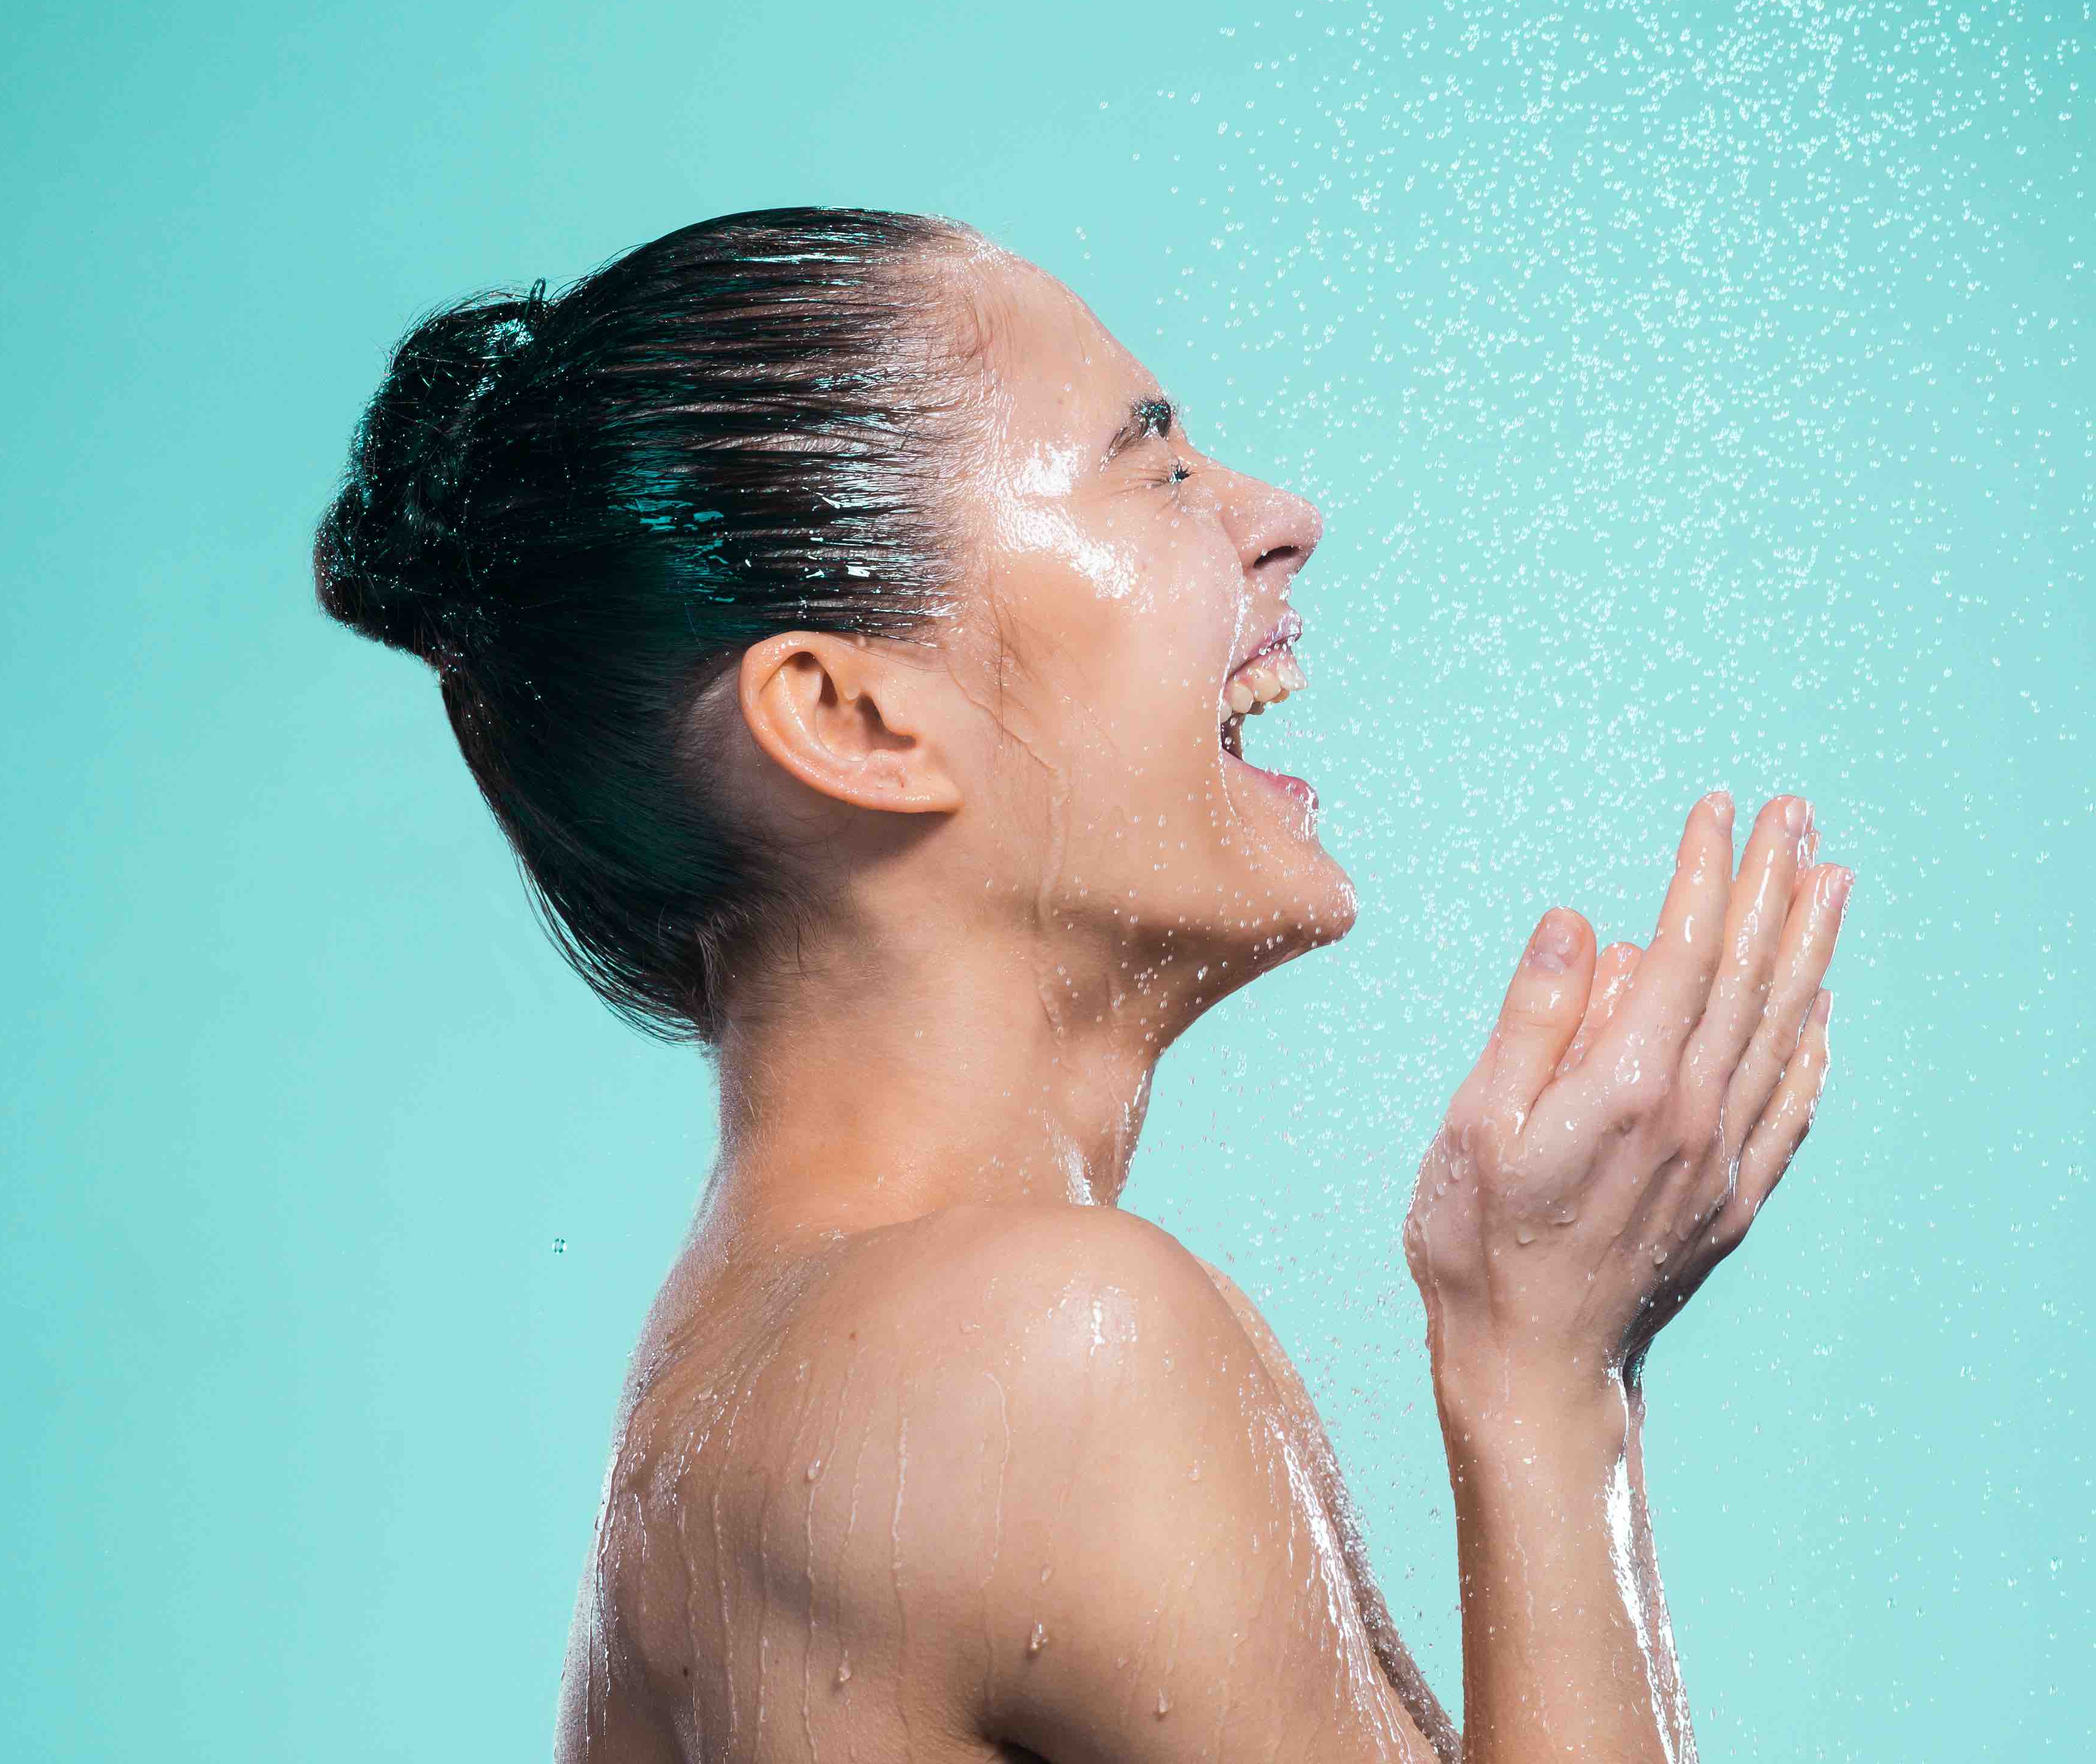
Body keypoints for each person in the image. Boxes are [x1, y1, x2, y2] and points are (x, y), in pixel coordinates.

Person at [314, 207, 1847, 1763]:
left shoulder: (754, 1380)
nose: (1282, 517)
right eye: (1159, 467)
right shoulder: (1039, 1351)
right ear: (853, 716)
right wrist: (1549, 1382)